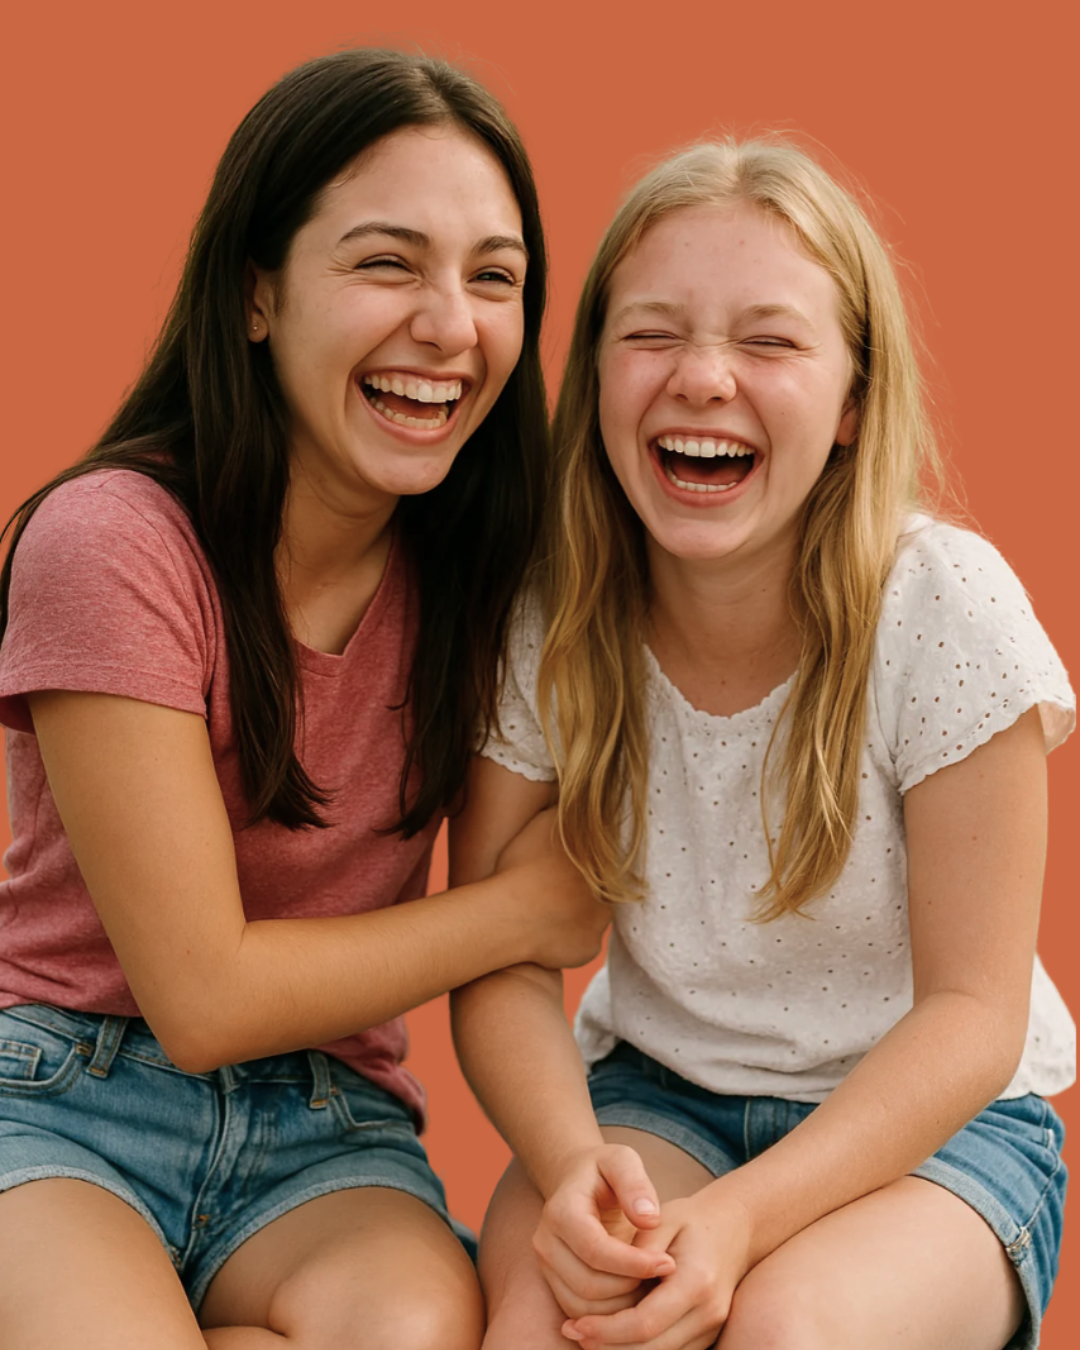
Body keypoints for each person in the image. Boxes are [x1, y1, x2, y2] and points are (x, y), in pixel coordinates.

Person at [0, 48, 609, 1350]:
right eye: (388, 263)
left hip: (327, 1130)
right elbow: (204, 992)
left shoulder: (499, 578)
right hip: (62, 1097)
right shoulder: (112, 541)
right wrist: (519, 910)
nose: (451, 322)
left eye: (494, 277)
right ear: (258, 292)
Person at [450, 138, 1075, 1350]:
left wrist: (741, 1223)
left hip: (936, 1132)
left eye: (769, 341)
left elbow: (971, 1011)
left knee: (785, 1331)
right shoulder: (550, 614)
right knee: (540, 1317)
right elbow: (503, 962)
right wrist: (574, 1163)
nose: (702, 377)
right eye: (652, 334)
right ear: (591, 383)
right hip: (653, 1102)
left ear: (851, 402)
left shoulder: (943, 607)